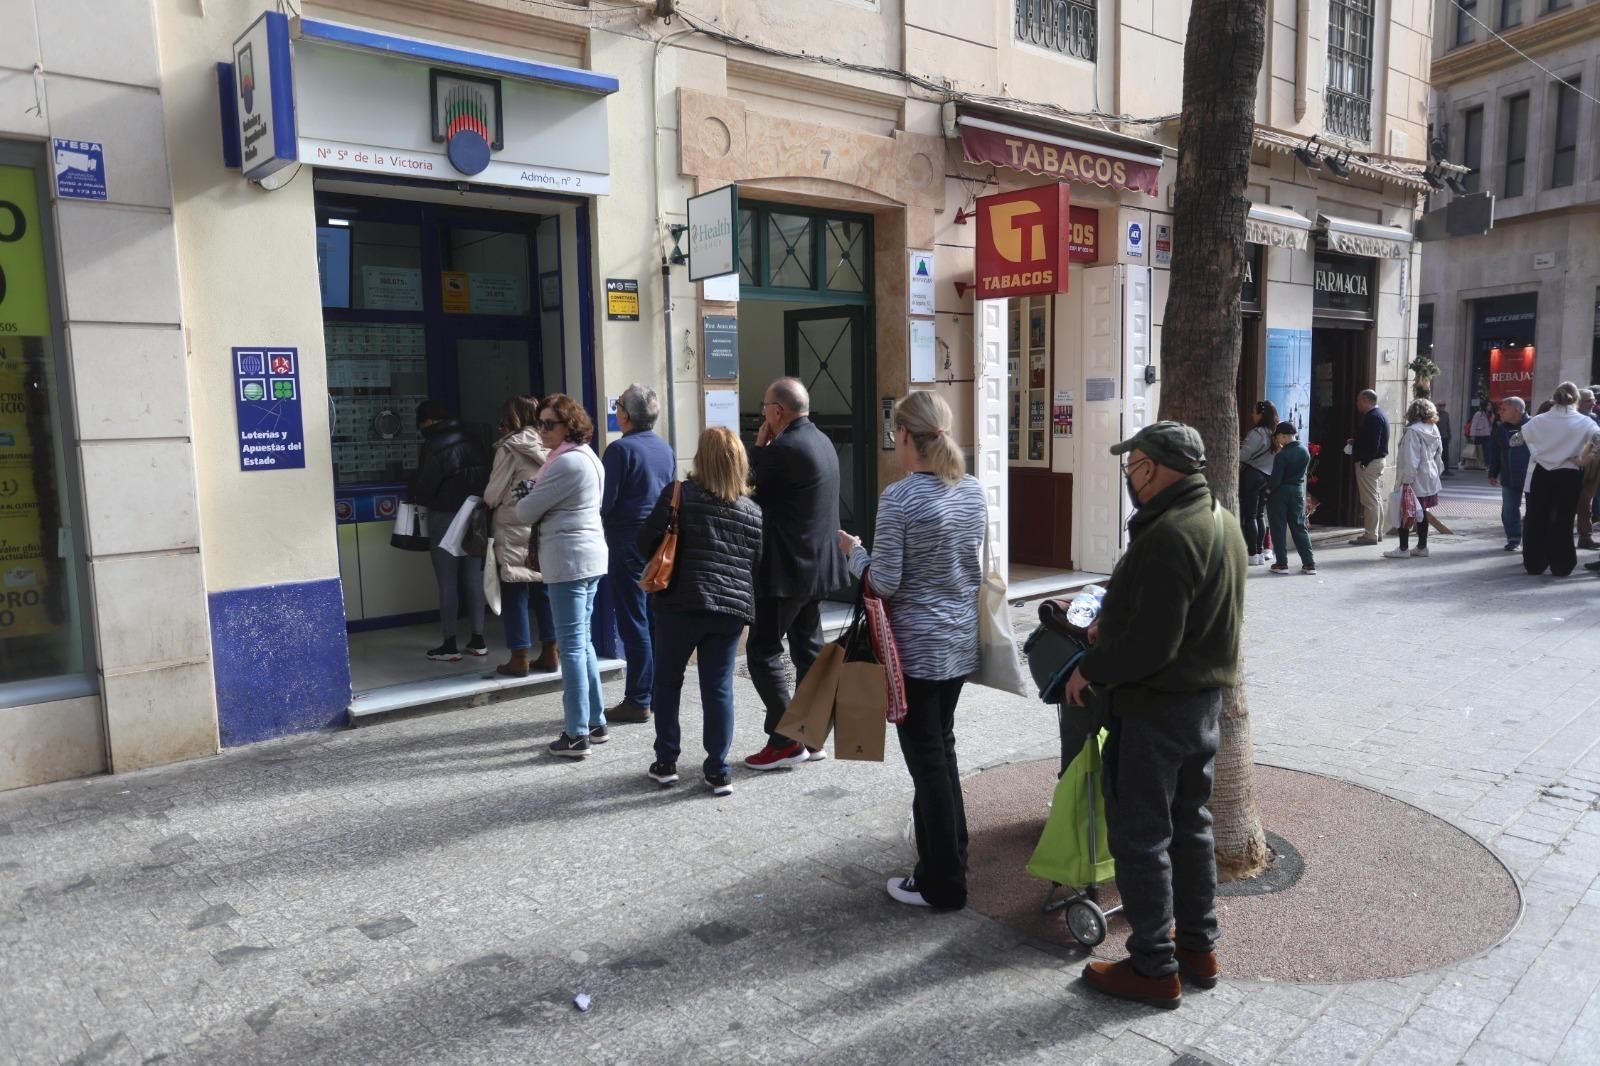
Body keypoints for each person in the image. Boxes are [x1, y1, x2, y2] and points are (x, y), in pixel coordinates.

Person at [1060, 421, 1246, 1010]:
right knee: (1190, 825)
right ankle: (1198, 948)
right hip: (1200, 706)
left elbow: (1151, 647)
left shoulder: (1170, 534)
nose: (1130, 477)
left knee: (1142, 838)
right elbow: (1178, 620)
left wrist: (1092, 666)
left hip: (1157, 709)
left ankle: (1153, 966)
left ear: (1160, 467)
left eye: (1133, 465)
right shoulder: (1221, 521)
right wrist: (1112, 624)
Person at [837, 393, 987, 910]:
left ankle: (943, 883)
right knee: (940, 752)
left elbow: (886, 581)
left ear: (905, 437)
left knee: (928, 764)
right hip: (959, 641)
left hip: (916, 652)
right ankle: (949, 864)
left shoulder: (899, 499)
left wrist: (854, 555)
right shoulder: (971, 491)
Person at [638, 427, 763, 796]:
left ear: (700, 459)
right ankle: (718, 769)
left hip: (680, 603)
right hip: (729, 611)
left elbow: (643, 542)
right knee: (719, 688)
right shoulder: (753, 511)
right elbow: (755, 563)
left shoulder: (679, 495)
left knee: (668, 681)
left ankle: (666, 762)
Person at [742, 378, 849, 771]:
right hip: (818, 566)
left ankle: (785, 738)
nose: (763, 413)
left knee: (762, 650)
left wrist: (757, 448)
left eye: (764, 406)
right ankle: (812, 735)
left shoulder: (783, 449)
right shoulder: (819, 439)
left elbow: (746, 489)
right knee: (807, 650)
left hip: (788, 571)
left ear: (777, 411)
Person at [515, 394, 610, 756]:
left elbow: (525, 512)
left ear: (569, 425)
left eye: (549, 424)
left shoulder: (564, 464)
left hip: (569, 561)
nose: (542, 430)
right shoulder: (587, 458)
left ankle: (576, 734)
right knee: (581, 642)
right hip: (587, 559)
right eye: (539, 423)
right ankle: (596, 721)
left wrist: (526, 495)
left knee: (571, 647)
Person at [600, 385, 677, 724]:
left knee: (634, 622)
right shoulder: (665, 448)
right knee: (654, 619)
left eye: (618, 406)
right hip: (657, 542)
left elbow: (606, 501)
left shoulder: (619, 450)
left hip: (627, 540)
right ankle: (657, 693)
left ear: (625, 416)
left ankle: (638, 698)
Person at [482, 396, 557, 676]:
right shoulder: (550, 446)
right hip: (542, 525)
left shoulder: (510, 449)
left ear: (512, 419)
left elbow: (492, 494)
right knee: (544, 591)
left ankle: (519, 657)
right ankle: (551, 653)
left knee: (515, 592)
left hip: (513, 526)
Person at [412, 400, 491, 662]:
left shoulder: (433, 445)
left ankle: (449, 643)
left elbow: (425, 487)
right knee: (472, 578)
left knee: (447, 580)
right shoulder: (475, 438)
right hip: (475, 515)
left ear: (429, 421)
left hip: (444, 515)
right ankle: (478, 639)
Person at [1519, 382, 1600, 578]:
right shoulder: (1584, 422)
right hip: (1569, 472)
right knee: (1563, 519)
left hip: (1542, 471)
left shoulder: (1539, 420)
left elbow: (1517, 439)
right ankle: (1562, 565)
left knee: (1537, 517)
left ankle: (1535, 563)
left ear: (1554, 398)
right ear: (1576, 399)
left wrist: (1537, 449)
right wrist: (1584, 458)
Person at [1383, 399, 1445, 560]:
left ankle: (1403, 548)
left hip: (1415, 478)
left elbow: (1411, 459)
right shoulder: (1433, 428)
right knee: (1422, 512)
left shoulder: (1413, 431)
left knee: (1405, 510)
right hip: (1430, 475)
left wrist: (1406, 481)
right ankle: (1422, 546)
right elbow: (1439, 453)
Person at [1264, 421, 1316, 575]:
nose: (1277, 439)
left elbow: (1276, 480)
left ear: (1284, 436)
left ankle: (1281, 563)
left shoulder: (1282, 455)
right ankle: (1309, 563)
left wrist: (1267, 491)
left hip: (1279, 494)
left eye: (1278, 436)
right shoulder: (1304, 451)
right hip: (1297, 492)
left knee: (1278, 528)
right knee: (1299, 527)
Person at [1487, 396, 1531, 553]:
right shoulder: (1500, 428)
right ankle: (1513, 539)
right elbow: (1496, 452)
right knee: (1509, 509)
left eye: (1504, 409)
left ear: (1516, 410)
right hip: (1509, 476)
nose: (1500, 412)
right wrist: (1493, 472)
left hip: (1531, 476)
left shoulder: (1533, 425)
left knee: (1533, 509)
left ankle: (1532, 541)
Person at [1238, 401, 1278, 566]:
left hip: (1252, 475)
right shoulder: (1274, 433)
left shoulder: (1257, 433)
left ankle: (1252, 552)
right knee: (1260, 515)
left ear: (1261, 414)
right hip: (1267, 476)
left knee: (1250, 516)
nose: (1251, 415)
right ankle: (1261, 551)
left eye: (1254, 412)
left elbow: (1243, 455)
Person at [1348, 389, 1390, 546]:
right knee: (1376, 497)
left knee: (1369, 500)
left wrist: (1364, 461)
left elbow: (1374, 443)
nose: (1357, 404)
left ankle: (1370, 534)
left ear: (1366, 400)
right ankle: (1376, 532)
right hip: (1376, 461)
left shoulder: (1373, 417)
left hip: (1370, 463)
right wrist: (1357, 442)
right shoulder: (1379, 415)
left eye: (1359, 401)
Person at [1577, 389, 1599, 551]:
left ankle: (1586, 536)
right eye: (1588, 400)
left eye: (1593, 400)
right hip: (1574, 465)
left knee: (1586, 504)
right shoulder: (1571, 419)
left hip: (1592, 465)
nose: (1593, 403)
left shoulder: (1593, 417)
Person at [1467, 401, 1494, 471]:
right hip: (1479, 435)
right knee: (1479, 451)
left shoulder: (1490, 414)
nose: (1490, 407)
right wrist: (1472, 435)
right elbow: (1474, 424)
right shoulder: (1478, 414)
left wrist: (1492, 418)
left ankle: (1488, 465)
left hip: (1487, 435)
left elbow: (1490, 425)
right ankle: (1481, 464)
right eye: (1488, 405)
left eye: (1491, 406)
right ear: (1485, 406)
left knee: (1488, 450)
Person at [1436, 400, 1456, 477]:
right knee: (1437, 454)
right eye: (1440, 405)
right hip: (1437, 438)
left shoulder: (1446, 414)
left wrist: (1449, 435)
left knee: (1445, 454)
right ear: (1437, 406)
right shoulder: (1435, 415)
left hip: (1444, 436)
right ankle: (1437, 470)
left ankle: (1446, 469)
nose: (1442, 407)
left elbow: (1448, 425)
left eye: (1443, 405)